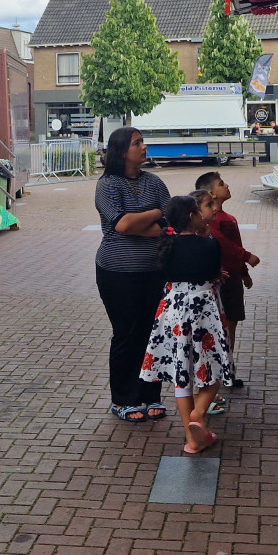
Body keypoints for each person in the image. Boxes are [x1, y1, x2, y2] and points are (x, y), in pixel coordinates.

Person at [143, 193, 234, 453]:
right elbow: (214, 272)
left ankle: (193, 440)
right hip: (204, 308)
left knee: (183, 376)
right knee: (215, 366)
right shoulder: (209, 244)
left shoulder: (166, 245)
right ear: (193, 216)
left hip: (173, 309)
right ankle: (199, 413)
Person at [95, 127, 171, 423]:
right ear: (121, 151)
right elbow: (123, 225)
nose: (143, 147)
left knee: (153, 334)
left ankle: (150, 395)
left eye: (142, 142)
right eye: (137, 143)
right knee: (127, 334)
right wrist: (154, 213)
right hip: (117, 274)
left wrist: (143, 220)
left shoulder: (154, 182)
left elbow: (168, 224)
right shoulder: (108, 185)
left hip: (155, 272)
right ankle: (123, 399)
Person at [196, 170, 260, 388]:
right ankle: (221, 371)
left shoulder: (227, 218)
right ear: (212, 194)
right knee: (221, 327)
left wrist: (243, 272)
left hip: (231, 277)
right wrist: (246, 257)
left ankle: (227, 368)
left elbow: (234, 245)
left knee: (230, 325)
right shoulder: (213, 221)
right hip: (220, 279)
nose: (227, 186)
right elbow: (225, 245)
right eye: (222, 184)